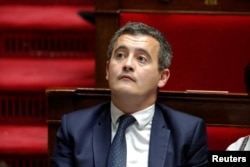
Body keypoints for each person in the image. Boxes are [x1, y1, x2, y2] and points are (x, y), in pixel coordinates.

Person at [51, 22, 208, 167]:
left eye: (141, 58)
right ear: (107, 70)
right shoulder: (74, 128)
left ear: (162, 77)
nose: (127, 64)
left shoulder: (187, 133)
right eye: (120, 55)